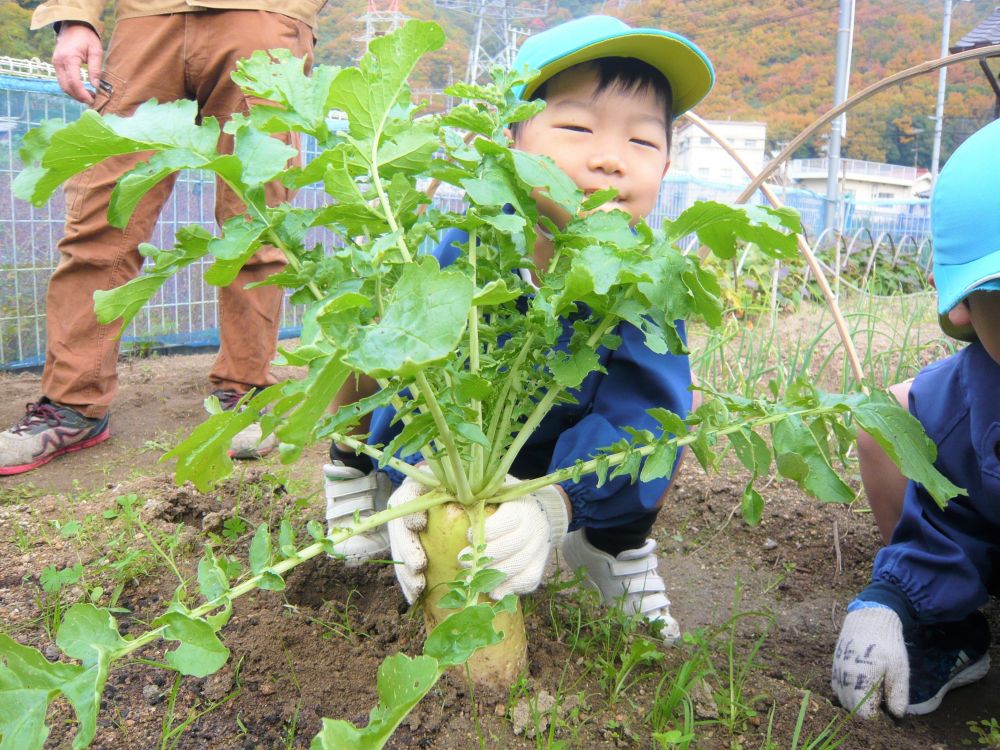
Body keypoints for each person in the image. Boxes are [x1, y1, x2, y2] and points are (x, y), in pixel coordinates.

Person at [323, 15, 714, 642]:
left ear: (666, 167)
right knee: (375, 323)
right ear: (512, 143)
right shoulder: (465, 251)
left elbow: (641, 419)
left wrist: (554, 507)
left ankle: (615, 548)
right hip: (457, 450)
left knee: (676, 411)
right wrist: (414, 477)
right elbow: (414, 388)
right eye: (577, 128)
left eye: (643, 143)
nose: (610, 158)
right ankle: (354, 473)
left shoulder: (646, 279)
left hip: (561, 459)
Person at [0, 0, 326, 476]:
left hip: (263, 13)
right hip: (146, 17)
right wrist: (74, 15)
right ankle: (72, 403)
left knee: (255, 219)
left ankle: (244, 389)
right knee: (101, 215)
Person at [831, 119, 1000, 719]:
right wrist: (889, 601)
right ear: (961, 305)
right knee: (890, 420)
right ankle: (946, 625)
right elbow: (951, 527)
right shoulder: (961, 405)